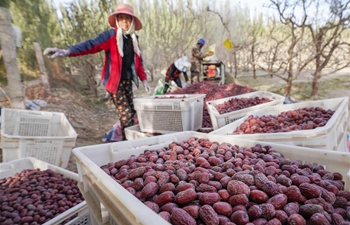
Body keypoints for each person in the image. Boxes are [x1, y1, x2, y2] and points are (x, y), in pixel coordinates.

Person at [43, 3, 151, 140]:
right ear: (117, 20)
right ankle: (127, 141)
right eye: (121, 17)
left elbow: (138, 60)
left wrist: (144, 79)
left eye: (128, 18)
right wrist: (67, 51)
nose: (124, 21)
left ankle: (128, 136)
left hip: (126, 81)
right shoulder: (110, 36)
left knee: (133, 111)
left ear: (132, 21)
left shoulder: (134, 39)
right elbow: (91, 45)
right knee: (126, 115)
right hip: (114, 83)